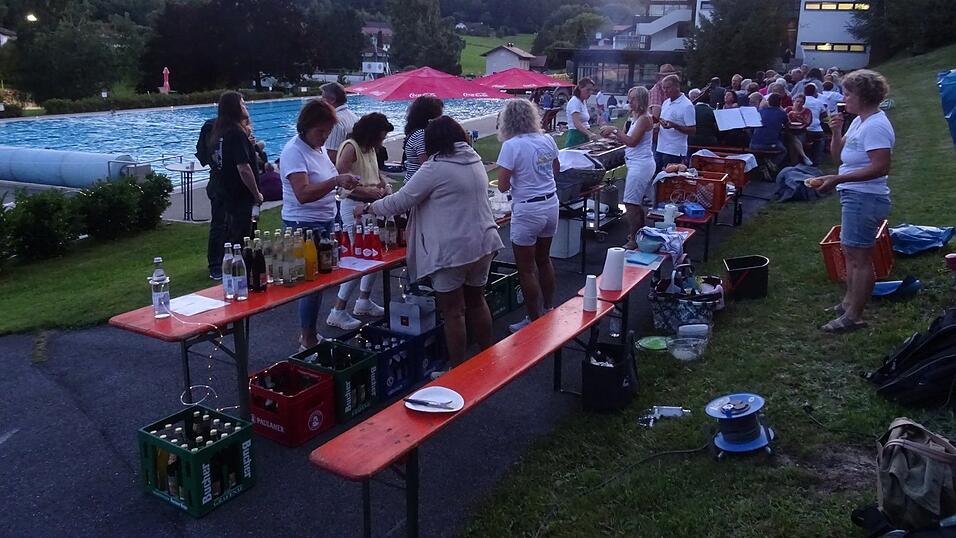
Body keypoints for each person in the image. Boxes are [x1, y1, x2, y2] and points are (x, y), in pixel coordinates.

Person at [354, 116, 504, 371]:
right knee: (478, 302)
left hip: (452, 250)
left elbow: (400, 201)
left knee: (453, 312)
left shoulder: (435, 167)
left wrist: (369, 207)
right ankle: (487, 361)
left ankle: (457, 372)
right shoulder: (473, 159)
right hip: (483, 242)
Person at [809, 70, 894, 333]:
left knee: (860, 258)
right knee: (850, 252)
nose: (844, 99)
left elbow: (881, 167)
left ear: (864, 96)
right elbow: (839, 157)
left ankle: (854, 316)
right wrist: (835, 132)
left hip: (865, 197)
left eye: (848, 93)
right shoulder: (859, 121)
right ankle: (848, 302)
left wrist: (836, 179)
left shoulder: (877, 125)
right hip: (853, 194)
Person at [279, 99, 360, 349]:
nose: (324, 137)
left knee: (320, 283)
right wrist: (335, 181)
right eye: (320, 132)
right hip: (303, 225)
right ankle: (307, 338)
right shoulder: (294, 152)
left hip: (324, 222)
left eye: (327, 132)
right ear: (305, 127)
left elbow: (325, 180)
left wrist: (342, 182)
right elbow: (303, 194)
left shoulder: (318, 149)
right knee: (310, 286)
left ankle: (310, 333)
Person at [495, 99, 560, 332]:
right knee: (544, 259)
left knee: (526, 268)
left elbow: (502, 186)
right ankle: (550, 307)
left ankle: (534, 319)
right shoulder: (547, 139)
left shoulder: (512, 146)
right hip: (550, 203)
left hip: (527, 208)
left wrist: (517, 178)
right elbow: (556, 169)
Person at [326, 113, 395, 330]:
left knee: (373, 255)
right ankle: (338, 309)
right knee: (358, 257)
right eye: (380, 137)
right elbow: (342, 180)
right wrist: (368, 190)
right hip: (353, 207)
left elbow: (374, 172)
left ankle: (363, 300)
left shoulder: (370, 148)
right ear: (371, 134)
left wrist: (383, 183)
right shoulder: (351, 148)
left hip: (369, 205)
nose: (381, 142)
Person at [206, 91, 263, 252]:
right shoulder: (236, 133)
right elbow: (243, 168)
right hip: (240, 195)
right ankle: (241, 271)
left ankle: (228, 266)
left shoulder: (219, 132)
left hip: (225, 192)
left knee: (230, 235)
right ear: (234, 108)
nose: (246, 107)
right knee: (243, 238)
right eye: (242, 104)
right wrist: (256, 193)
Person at [602, 86, 655, 249]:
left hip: (641, 165)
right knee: (635, 202)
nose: (629, 101)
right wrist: (611, 135)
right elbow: (628, 139)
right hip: (636, 162)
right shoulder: (636, 117)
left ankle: (633, 239)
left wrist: (615, 130)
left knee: (630, 202)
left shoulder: (645, 118)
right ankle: (640, 234)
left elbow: (632, 141)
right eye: (629, 98)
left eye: (632, 98)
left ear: (640, 100)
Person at [196, 116, 225, 280]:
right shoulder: (214, 128)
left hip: (220, 184)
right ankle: (215, 265)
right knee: (219, 225)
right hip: (220, 186)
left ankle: (224, 260)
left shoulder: (227, 127)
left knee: (225, 225)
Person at [656, 75, 696, 171]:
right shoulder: (665, 102)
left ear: (677, 86)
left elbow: (692, 130)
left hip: (674, 150)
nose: (665, 91)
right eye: (663, 88)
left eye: (668, 88)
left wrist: (674, 125)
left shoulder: (687, 105)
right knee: (657, 179)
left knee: (669, 181)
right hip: (660, 147)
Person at [402, 95, 444, 181]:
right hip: (419, 186)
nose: (441, 119)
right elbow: (427, 165)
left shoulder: (419, 133)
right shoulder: (421, 135)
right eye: (440, 115)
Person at [320, 82, 358, 164]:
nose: (321, 102)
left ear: (332, 100)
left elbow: (332, 155)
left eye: (323, 99)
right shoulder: (353, 116)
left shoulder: (334, 121)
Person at [750, 93, 788, 167]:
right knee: (784, 151)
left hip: (753, 144)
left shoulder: (760, 111)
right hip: (770, 144)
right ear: (780, 103)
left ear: (768, 102)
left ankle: (762, 165)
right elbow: (787, 124)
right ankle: (773, 164)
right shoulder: (781, 113)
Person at [565, 77, 599, 147]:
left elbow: (584, 123)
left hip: (584, 135)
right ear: (580, 88)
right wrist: (590, 134)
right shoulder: (575, 102)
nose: (590, 93)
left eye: (592, 90)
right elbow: (576, 123)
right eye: (588, 90)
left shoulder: (583, 101)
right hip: (576, 136)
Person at [785, 94, 814, 166]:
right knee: (792, 138)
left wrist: (799, 118)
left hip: (801, 131)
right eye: (797, 101)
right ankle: (803, 158)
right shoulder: (788, 109)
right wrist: (789, 115)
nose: (799, 103)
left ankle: (794, 164)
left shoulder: (807, 111)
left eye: (801, 102)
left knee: (793, 141)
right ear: (793, 101)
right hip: (789, 131)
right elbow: (784, 121)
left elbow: (808, 123)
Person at [803, 83, 828, 163]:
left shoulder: (800, 101)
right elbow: (825, 116)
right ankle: (817, 160)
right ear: (815, 92)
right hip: (817, 129)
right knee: (820, 139)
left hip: (804, 129)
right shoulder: (819, 102)